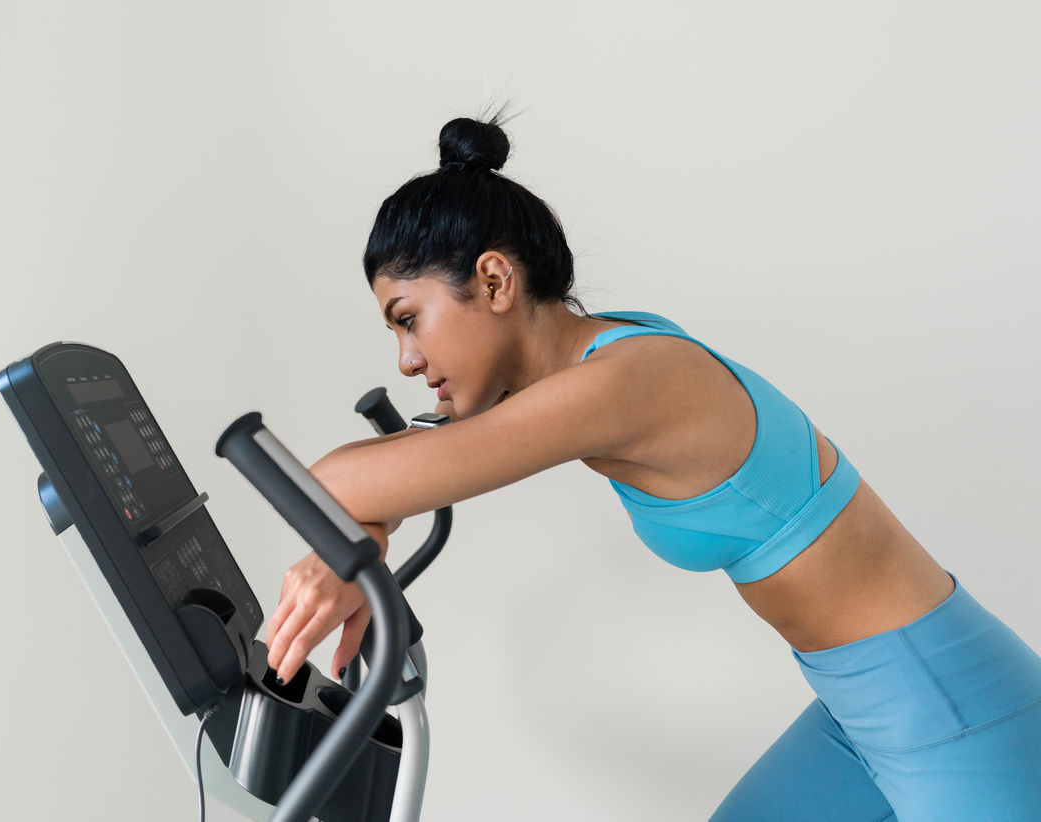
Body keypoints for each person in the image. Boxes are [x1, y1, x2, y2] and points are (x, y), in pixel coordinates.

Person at [262, 115, 1041, 820]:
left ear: (496, 281)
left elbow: (331, 481)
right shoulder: (594, 362)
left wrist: (359, 523)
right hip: (859, 709)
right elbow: (402, 470)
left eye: (409, 320)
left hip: (949, 713)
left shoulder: (623, 384)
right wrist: (368, 531)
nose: (405, 360)